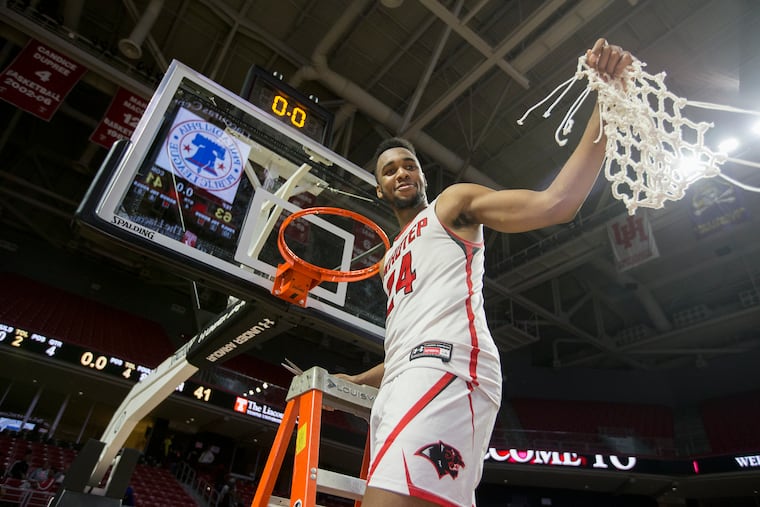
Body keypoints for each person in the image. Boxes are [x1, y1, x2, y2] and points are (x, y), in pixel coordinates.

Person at [336, 39, 633, 507]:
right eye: (389, 170)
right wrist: (355, 381)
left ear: (422, 176)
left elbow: (558, 204)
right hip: (404, 376)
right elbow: (404, 343)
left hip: (448, 366)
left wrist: (606, 100)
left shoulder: (451, 205)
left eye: (408, 164)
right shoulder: (390, 260)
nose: (401, 173)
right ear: (379, 189)